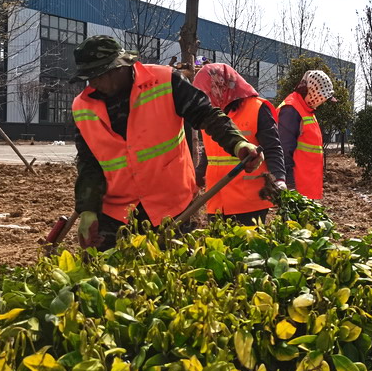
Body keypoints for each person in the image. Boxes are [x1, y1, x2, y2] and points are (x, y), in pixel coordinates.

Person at [71, 35, 262, 250]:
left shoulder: (165, 80)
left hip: (173, 206)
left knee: (179, 266)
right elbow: (89, 162)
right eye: (88, 77)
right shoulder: (82, 106)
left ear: (119, 67)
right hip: (117, 213)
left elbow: (207, 115)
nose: (93, 83)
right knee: (110, 268)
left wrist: (238, 144)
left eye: (97, 75)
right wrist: (88, 209)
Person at [192, 63, 287, 225]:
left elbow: (272, 148)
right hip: (216, 201)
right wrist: (196, 182)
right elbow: (210, 154)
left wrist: (279, 179)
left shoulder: (257, 108)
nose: (207, 99)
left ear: (223, 86)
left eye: (209, 93)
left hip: (249, 203)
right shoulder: (211, 116)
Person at [277, 70, 337, 199]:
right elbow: (283, 150)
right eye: (322, 97)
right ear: (312, 92)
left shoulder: (305, 109)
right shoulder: (291, 110)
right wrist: (289, 184)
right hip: (297, 189)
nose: (322, 102)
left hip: (306, 188)